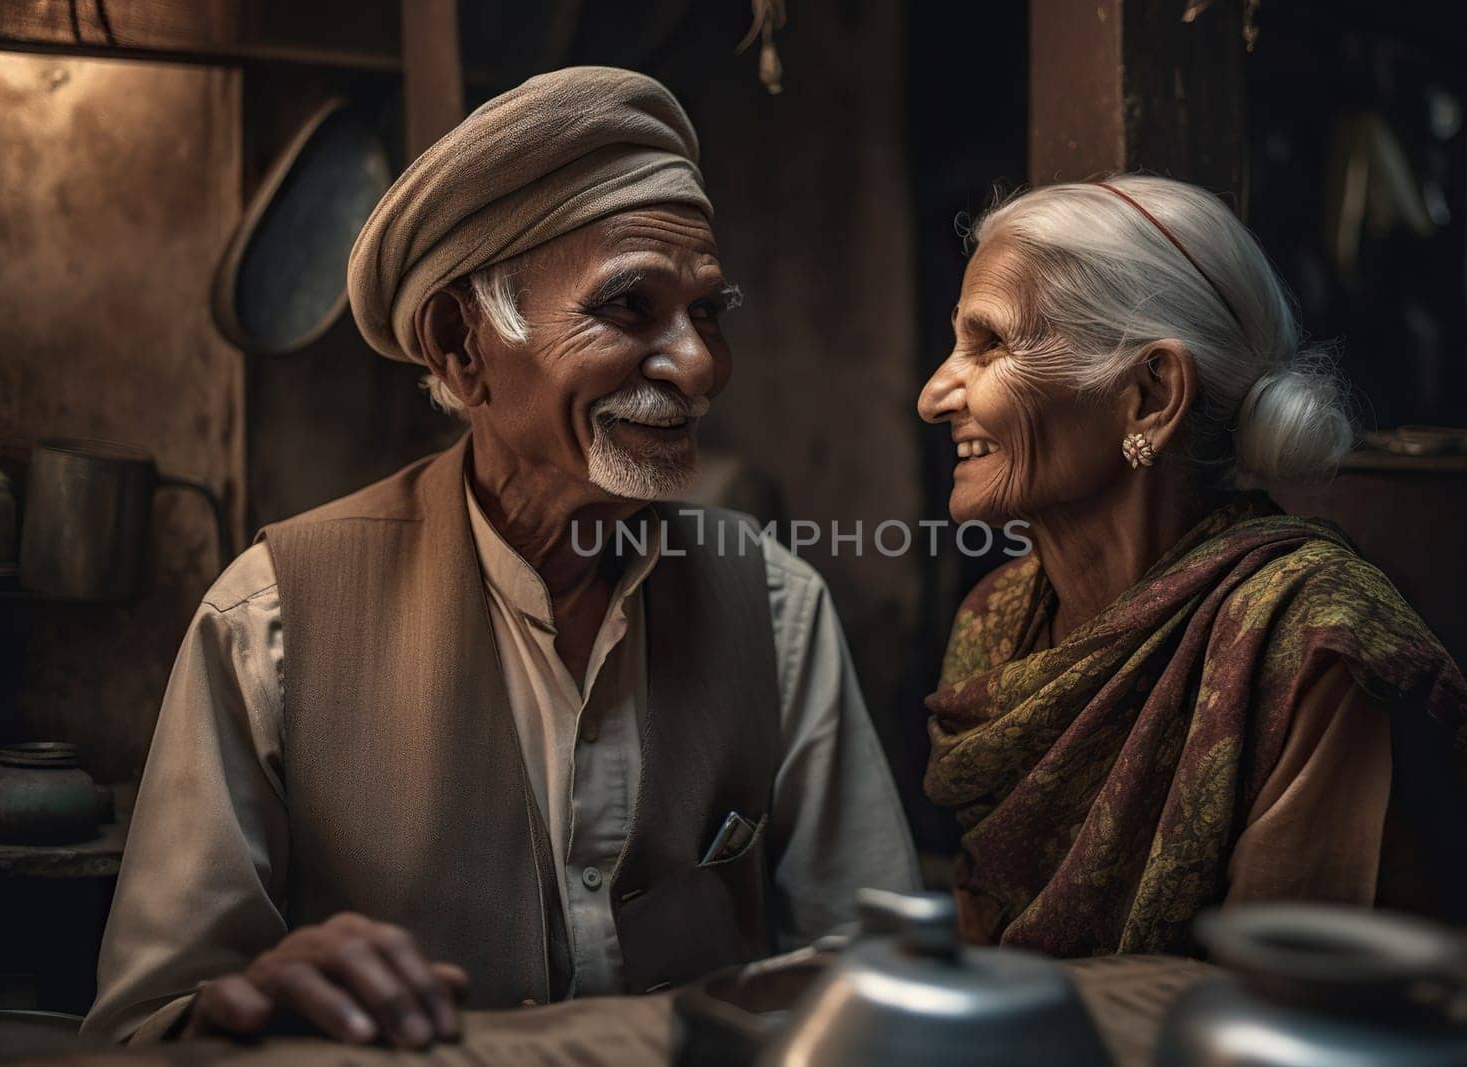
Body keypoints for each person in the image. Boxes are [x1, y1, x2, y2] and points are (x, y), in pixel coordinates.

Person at [83, 66, 918, 1046]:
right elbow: (140, 1030)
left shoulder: (774, 605)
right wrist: (253, 999)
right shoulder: (268, 623)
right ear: (460, 346)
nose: (699, 366)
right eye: (628, 307)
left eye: (708, 313)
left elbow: (886, 981)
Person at [916, 175, 1467, 958]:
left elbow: (1290, 1000)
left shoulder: (1311, 644)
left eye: (991, 344)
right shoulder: (995, 621)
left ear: (1151, 394)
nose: (934, 394)